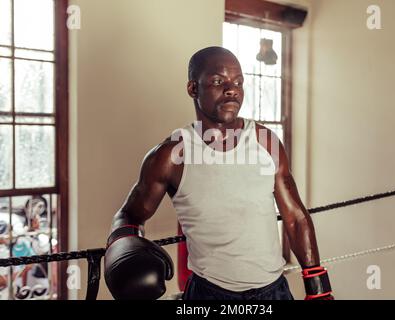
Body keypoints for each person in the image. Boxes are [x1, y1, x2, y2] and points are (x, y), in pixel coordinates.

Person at [104, 46, 333, 300]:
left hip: (274, 292)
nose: (232, 89)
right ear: (193, 88)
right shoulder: (170, 156)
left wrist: (318, 287)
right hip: (209, 295)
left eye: (238, 82)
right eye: (217, 81)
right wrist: (124, 249)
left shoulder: (265, 142)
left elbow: (295, 217)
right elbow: (128, 215)